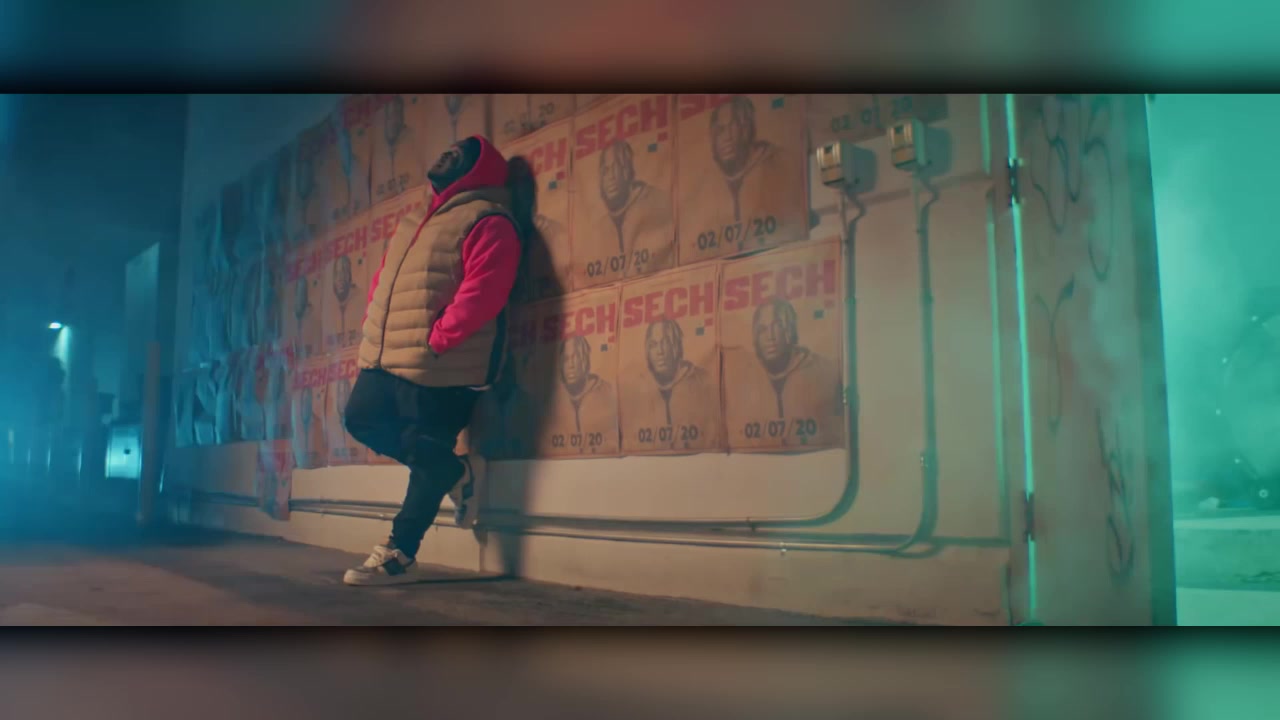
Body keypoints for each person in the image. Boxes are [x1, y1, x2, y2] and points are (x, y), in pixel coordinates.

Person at [342, 135, 531, 586]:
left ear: (479, 167)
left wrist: (439, 339)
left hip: (442, 362)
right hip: (388, 355)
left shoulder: (489, 218)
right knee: (360, 419)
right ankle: (451, 470)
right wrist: (372, 328)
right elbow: (384, 281)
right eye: (448, 148)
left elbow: (486, 288)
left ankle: (400, 554)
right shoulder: (415, 221)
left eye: (461, 152)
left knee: (426, 447)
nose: (448, 152)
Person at [751, 298, 842, 422]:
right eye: (762, 329)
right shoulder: (749, 379)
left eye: (778, 326)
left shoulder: (826, 373)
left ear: (789, 330)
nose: (770, 337)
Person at [595, 138, 673, 270]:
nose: (610, 177)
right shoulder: (601, 228)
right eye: (606, 170)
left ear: (627, 170)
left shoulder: (657, 202)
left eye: (617, 167)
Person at [642, 319, 717, 441]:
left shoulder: (703, 382)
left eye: (665, 342)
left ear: (676, 347)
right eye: (653, 345)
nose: (660, 351)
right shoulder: (641, 390)